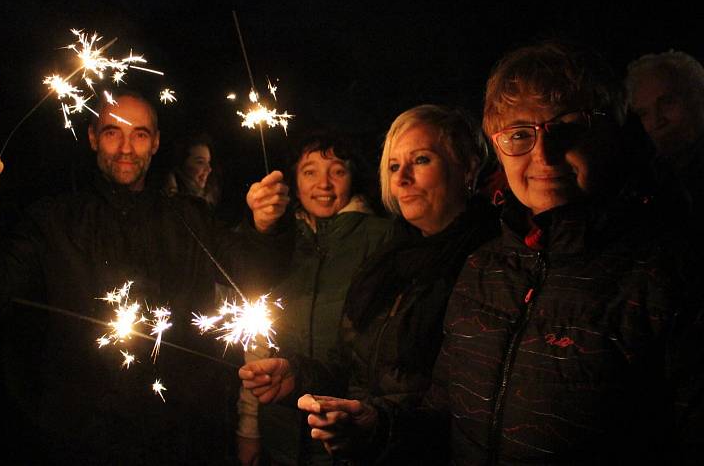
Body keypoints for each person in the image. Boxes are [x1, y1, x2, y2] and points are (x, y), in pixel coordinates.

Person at [299, 41, 702, 463]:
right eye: (520, 135)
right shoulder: (486, 270)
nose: (543, 155)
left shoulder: (668, 277)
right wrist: (377, 425)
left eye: (567, 126)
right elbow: (447, 410)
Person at [0, 90, 291, 465]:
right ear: (93, 136)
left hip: (178, 437)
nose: (126, 147)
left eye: (139, 134)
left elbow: (254, 278)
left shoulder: (190, 218)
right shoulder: (51, 219)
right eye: (112, 132)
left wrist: (263, 226)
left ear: (155, 143)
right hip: (78, 439)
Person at [241, 106, 499, 464]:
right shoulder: (390, 261)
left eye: (421, 160)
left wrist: (380, 428)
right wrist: (298, 377)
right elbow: (356, 369)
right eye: (394, 167)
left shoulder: (488, 264)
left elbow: (468, 411)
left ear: (468, 166)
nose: (403, 178)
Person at [236, 131, 392, 466]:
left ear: (355, 177)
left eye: (337, 171)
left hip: (343, 433)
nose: (323, 184)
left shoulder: (382, 238)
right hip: (279, 430)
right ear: (293, 178)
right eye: (310, 172)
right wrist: (249, 426)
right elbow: (253, 339)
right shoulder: (278, 240)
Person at [626, 50, 704, 232]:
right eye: (643, 113)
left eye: (667, 102)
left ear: (698, 97)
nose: (657, 121)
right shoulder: (650, 178)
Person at [165, 132, 221, 207]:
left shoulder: (209, 201)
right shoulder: (169, 203)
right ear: (182, 163)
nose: (209, 169)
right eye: (200, 162)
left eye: (208, 162)